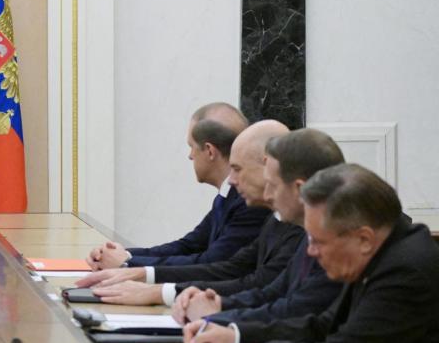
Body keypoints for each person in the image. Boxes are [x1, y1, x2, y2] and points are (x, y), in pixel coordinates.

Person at [184, 164, 439, 343]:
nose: (311, 252)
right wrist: (234, 337)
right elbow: (322, 327)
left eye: (318, 241)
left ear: (364, 239)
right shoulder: (378, 251)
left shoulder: (405, 272)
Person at [76, 120, 302, 306]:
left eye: (237, 169)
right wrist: (133, 265)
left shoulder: (283, 221)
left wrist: (155, 287)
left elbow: (255, 284)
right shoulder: (275, 218)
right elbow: (212, 256)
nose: (231, 180)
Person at [174, 128, 345, 324]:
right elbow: (273, 292)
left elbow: (298, 311)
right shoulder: (300, 230)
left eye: (273, 185)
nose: (268, 194)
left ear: (299, 188)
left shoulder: (335, 242)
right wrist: (220, 304)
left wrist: (220, 319)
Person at [88, 102, 268, 269]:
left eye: (191, 146)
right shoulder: (227, 196)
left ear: (209, 151)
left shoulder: (249, 201)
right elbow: (190, 245)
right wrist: (122, 255)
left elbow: (212, 262)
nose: (190, 156)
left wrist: (128, 263)